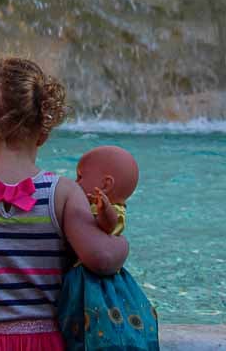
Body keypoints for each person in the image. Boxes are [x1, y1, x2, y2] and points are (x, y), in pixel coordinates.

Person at [0, 58, 129, 350]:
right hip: (41, 341)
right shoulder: (61, 194)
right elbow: (102, 259)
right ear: (43, 133)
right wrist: (122, 244)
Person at [57, 146, 160, 350]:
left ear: (106, 184)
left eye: (80, 176)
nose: (75, 182)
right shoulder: (89, 203)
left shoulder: (111, 209)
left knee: (92, 315)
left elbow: (108, 225)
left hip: (92, 278)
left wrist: (104, 211)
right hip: (86, 271)